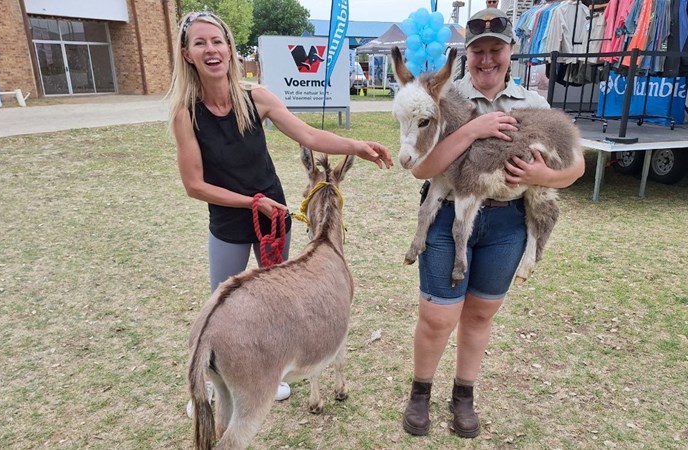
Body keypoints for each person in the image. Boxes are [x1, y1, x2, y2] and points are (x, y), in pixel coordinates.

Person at [167, 11, 392, 415]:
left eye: (217, 41)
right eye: (200, 43)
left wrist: (355, 145)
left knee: (277, 305)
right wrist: (250, 202)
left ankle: (268, 373)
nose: (211, 49)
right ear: (187, 54)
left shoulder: (258, 98)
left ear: (230, 48)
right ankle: (221, 387)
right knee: (226, 303)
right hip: (230, 223)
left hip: (273, 219)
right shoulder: (186, 114)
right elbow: (194, 185)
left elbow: (308, 134)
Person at [401, 7, 585, 439]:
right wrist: (472, 130)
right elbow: (422, 170)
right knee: (436, 317)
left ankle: (463, 396)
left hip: (506, 224)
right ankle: (420, 393)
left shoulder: (533, 104)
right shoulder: (444, 93)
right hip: (450, 216)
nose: (487, 59)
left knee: (480, 316)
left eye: (496, 50)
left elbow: (575, 166)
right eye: (478, 50)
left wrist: (544, 177)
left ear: (510, 52)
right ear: (466, 54)